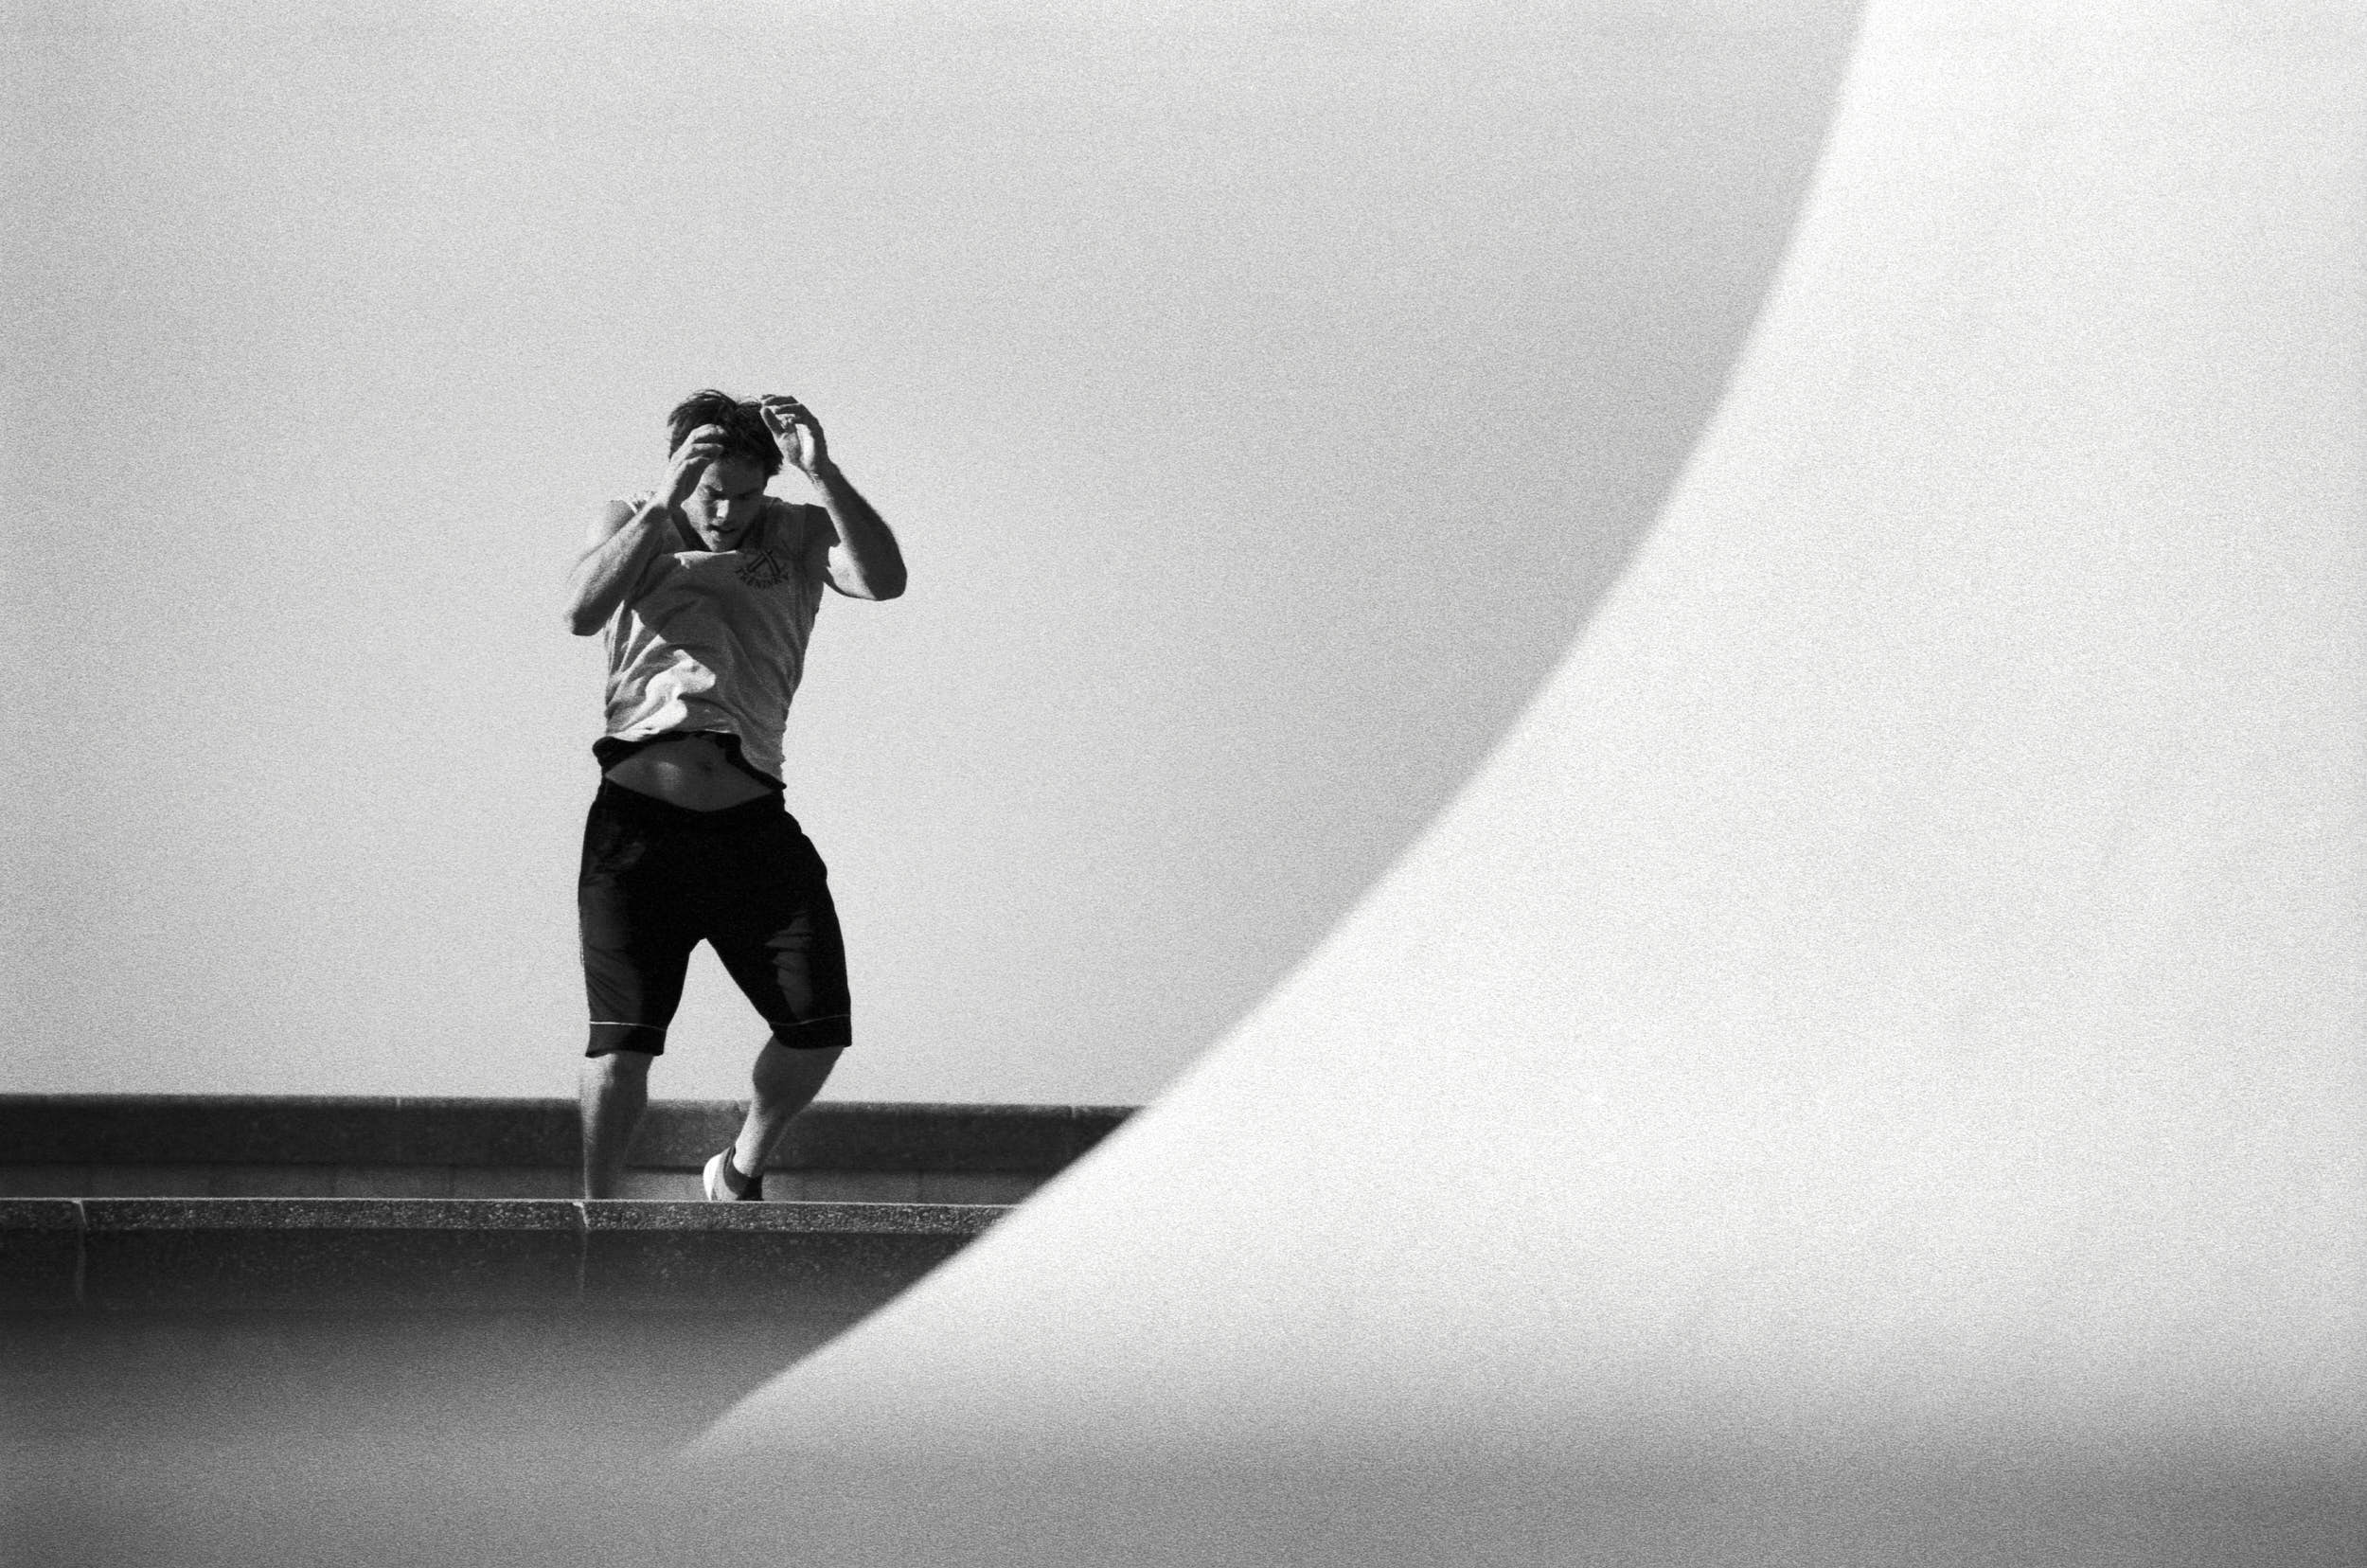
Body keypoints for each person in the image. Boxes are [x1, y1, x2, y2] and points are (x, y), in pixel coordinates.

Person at [563, 389, 906, 1200]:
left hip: (750, 819)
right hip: (638, 827)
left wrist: (822, 474)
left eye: (744, 495)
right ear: (683, 471)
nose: (725, 512)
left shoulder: (798, 531)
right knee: (622, 1045)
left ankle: (738, 1169)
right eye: (710, 492)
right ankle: (593, 1216)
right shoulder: (631, 518)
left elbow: (885, 581)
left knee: (819, 1029)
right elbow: (580, 611)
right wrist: (663, 503)